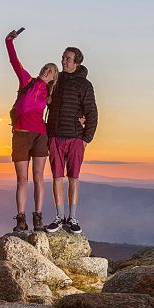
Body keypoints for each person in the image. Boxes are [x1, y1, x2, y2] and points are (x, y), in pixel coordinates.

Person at [5, 29, 57, 233]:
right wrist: (9, 40)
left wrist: (83, 118)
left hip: (40, 136)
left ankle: (38, 218)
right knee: (22, 179)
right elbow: (14, 61)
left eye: (51, 70)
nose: (47, 70)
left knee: (38, 177)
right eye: (46, 67)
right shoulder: (27, 81)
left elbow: (69, 105)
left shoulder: (51, 94)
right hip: (20, 134)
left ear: (53, 77)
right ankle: (20, 219)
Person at [45, 44, 97, 234]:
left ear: (77, 61)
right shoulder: (54, 81)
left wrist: (86, 139)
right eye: (63, 57)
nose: (63, 61)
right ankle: (59, 217)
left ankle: (72, 218)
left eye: (67, 58)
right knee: (57, 177)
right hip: (55, 136)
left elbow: (92, 112)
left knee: (73, 178)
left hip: (75, 138)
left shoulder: (85, 85)